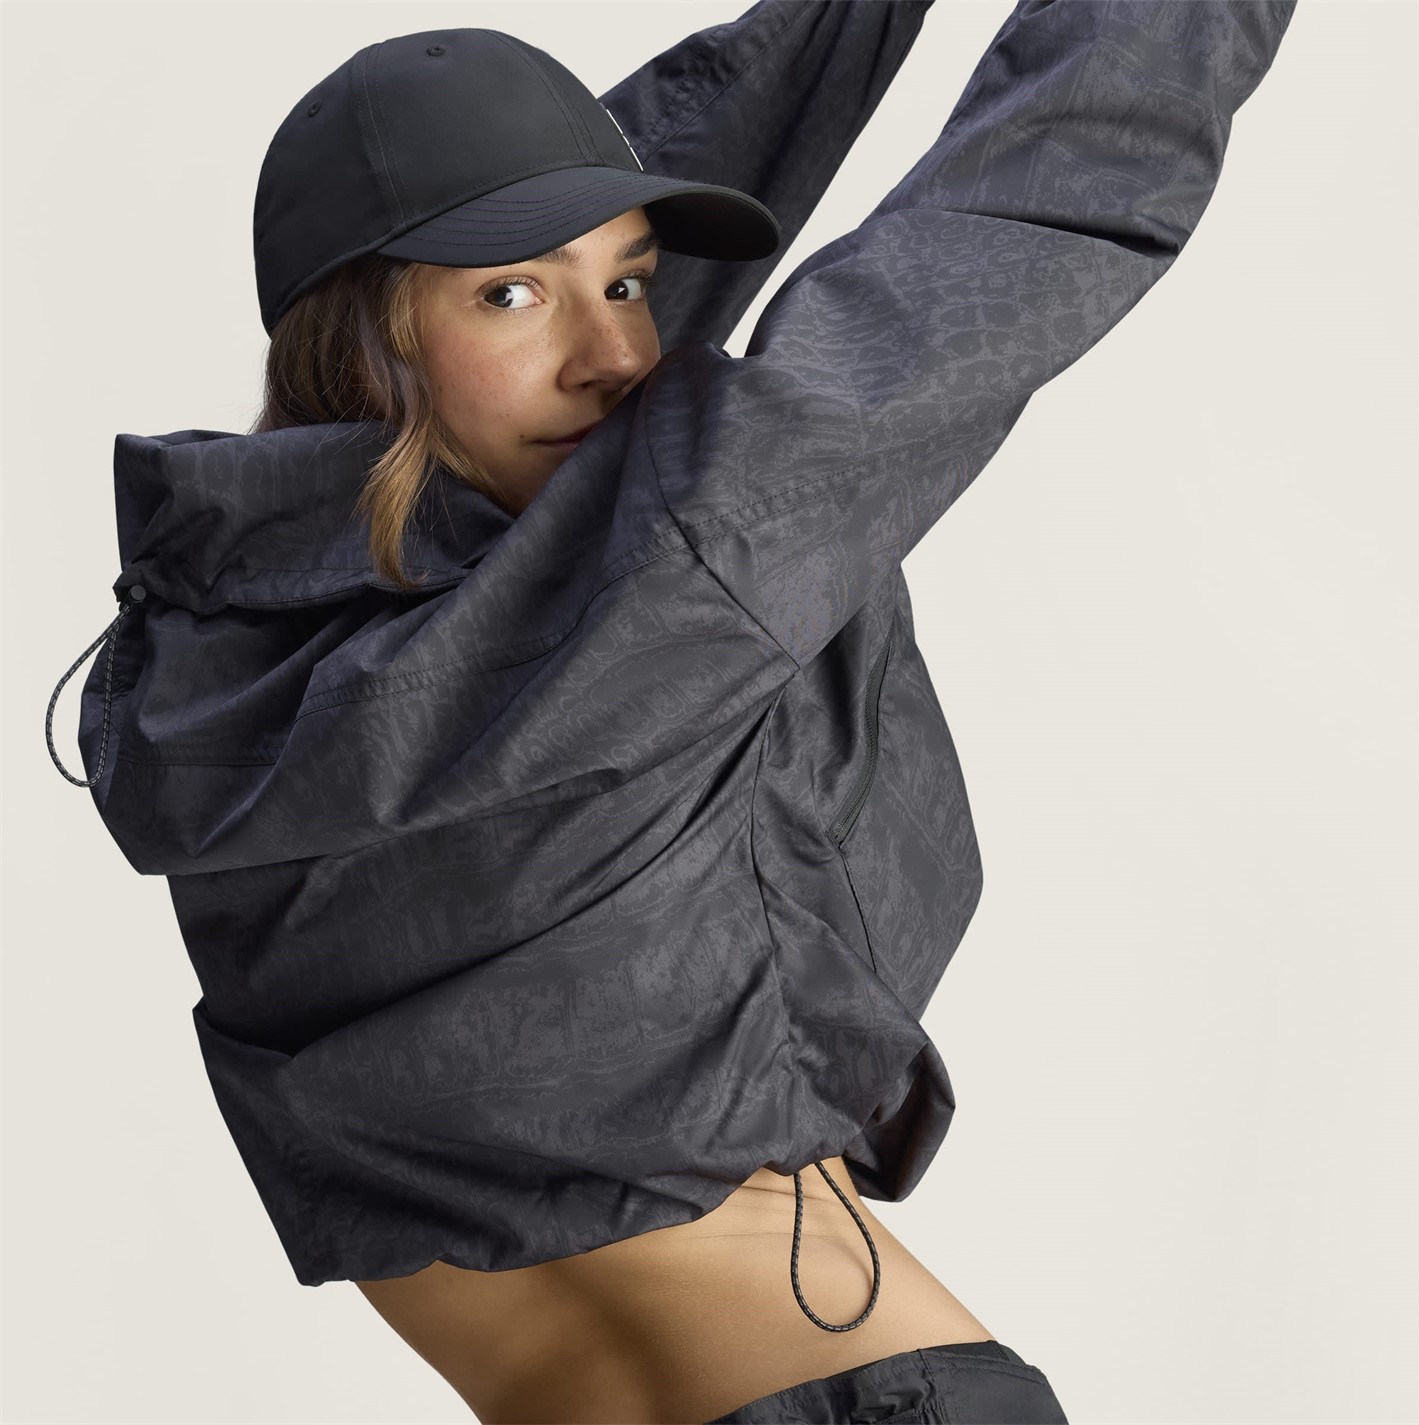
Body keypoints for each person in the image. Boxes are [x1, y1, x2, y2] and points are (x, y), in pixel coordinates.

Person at [44, 0, 1296, 1420]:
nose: (617, 353)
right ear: (363, 341)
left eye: (631, 282)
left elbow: (549, 321)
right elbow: (1049, 193)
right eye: (511, 296)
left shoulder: (207, 679)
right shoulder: (678, 569)